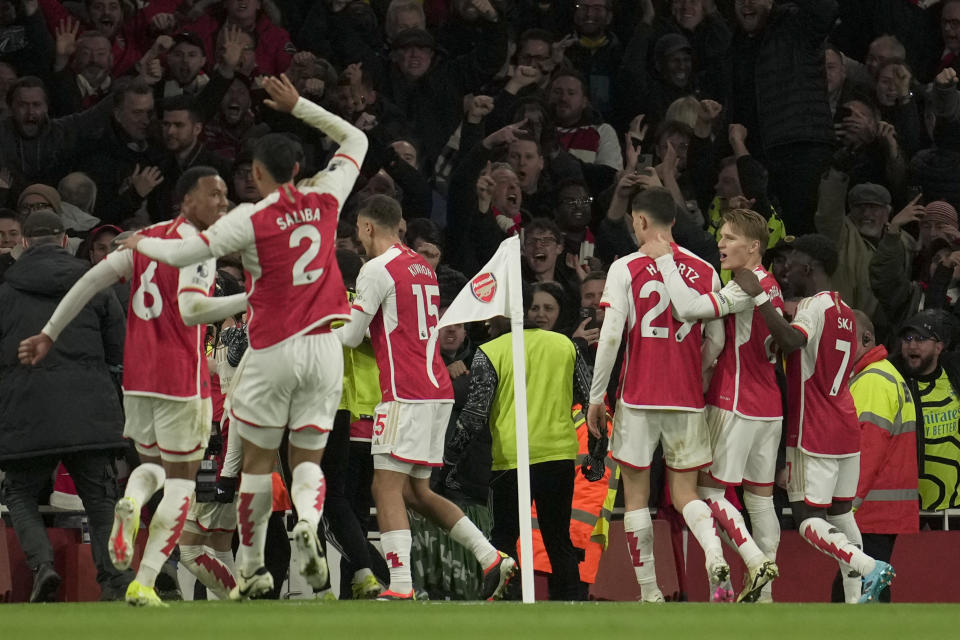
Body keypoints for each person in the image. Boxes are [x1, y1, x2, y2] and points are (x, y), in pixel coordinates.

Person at [118, 74, 368, 601]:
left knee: (256, 463)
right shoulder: (327, 197)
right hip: (325, 348)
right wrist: (300, 105)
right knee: (308, 463)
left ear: (256, 174)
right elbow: (357, 140)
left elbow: (185, 253)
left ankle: (252, 566)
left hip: (272, 349)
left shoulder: (249, 220)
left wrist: (144, 243)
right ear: (300, 169)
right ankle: (307, 517)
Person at [16, 166, 234, 607]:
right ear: (187, 200)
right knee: (182, 485)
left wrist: (49, 333)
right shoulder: (200, 248)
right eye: (215, 195)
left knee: (151, 471)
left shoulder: (145, 237)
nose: (223, 203)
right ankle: (146, 580)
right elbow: (193, 311)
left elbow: (91, 279)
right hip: (180, 379)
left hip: (138, 378)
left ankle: (131, 502)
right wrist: (252, 297)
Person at [334, 194, 516, 600]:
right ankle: (490, 557)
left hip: (405, 393)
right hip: (437, 389)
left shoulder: (375, 270)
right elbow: (394, 325)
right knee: (418, 493)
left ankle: (399, 585)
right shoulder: (422, 268)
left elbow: (348, 335)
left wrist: (317, 326)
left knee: (385, 488)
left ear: (366, 227)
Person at [734, 233, 896, 604]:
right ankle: (856, 603)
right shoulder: (844, 311)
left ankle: (869, 566)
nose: (785, 269)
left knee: (807, 519)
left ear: (808, 267)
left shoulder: (813, 305)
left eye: (791, 263)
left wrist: (759, 297)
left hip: (815, 428)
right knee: (841, 515)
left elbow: (794, 341)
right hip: (844, 426)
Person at [586, 187, 727, 603]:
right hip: (685, 398)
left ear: (641, 221)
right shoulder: (705, 268)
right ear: (674, 222)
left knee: (636, 497)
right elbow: (716, 340)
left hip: (638, 396)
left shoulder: (625, 268)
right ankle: (715, 554)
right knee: (687, 494)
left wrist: (597, 398)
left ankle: (650, 592)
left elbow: (611, 337)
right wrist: (696, 375)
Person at [641, 208, 782, 603]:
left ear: (754, 247)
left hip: (735, 401)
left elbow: (689, 309)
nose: (721, 244)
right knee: (760, 499)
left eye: (731, 238)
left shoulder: (744, 285)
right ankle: (765, 594)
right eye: (721, 236)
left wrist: (666, 261)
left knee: (708, 493)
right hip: (770, 407)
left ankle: (751, 562)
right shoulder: (770, 284)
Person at [0, 209, 129, 602]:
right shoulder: (95, 288)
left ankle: (42, 566)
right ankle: (114, 581)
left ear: (23, 244)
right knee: (100, 498)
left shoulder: (4, 294)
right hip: (90, 410)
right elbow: (119, 350)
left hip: (25, 410)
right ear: (63, 241)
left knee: (19, 493)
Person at [444, 281, 590, 601]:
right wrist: (596, 451)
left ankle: (507, 609)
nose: (486, 320)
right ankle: (574, 610)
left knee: (505, 539)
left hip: (511, 461)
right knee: (558, 540)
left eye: (492, 312)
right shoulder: (564, 345)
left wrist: (451, 460)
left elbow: (474, 416)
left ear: (505, 314)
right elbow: (591, 400)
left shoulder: (490, 352)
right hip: (558, 456)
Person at [827, 311, 918, 603]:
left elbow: (866, 452)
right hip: (880, 506)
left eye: (845, 338)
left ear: (867, 338)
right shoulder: (881, 375)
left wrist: (845, 507)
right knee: (866, 585)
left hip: (869, 509)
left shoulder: (871, 381)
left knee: (855, 588)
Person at [889, 310, 960, 516]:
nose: (911, 345)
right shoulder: (890, 378)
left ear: (939, 347)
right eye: (907, 338)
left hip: (953, 502)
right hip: (905, 502)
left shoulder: (954, 371)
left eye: (920, 339)